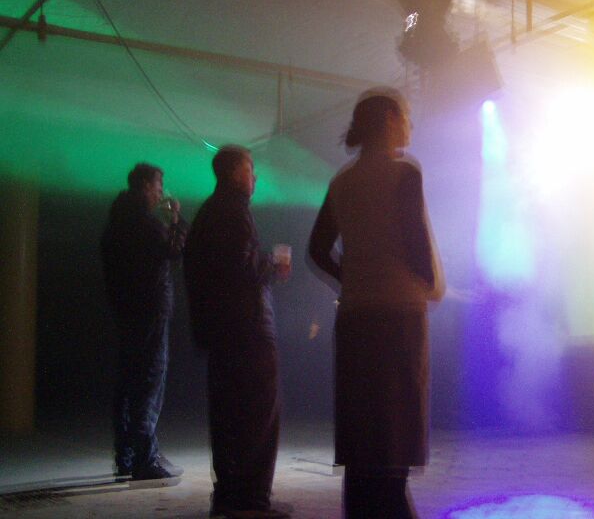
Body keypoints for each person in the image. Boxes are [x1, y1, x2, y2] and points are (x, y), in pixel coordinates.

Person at [308, 89, 445, 519]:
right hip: (399, 315)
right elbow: (415, 239)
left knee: (365, 431)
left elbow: (316, 249)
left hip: (355, 319)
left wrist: (349, 277)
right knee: (396, 431)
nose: (410, 124)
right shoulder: (405, 172)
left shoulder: (342, 181)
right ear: (388, 120)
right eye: (405, 115)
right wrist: (431, 283)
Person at [183, 145, 291, 519]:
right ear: (234, 173)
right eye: (249, 169)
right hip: (248, 331)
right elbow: (242, 270)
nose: (255, 177)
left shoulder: (208, 212)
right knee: (258, 416)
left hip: (221, 334)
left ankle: (229, 497)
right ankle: (252, 502)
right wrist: (272, 264)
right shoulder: (234, 213)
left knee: (229, 418)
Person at [101, 162, 187, 483]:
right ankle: (145, 459)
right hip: (150, 311)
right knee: (149, 382)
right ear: (146, 187)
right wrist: (175, 220)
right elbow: (174, 252)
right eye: (158, 187)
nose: (161, 194)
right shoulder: (146, 224)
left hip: (125, 312)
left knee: (128, 383)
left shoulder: (116, 221)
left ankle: (125, 456)